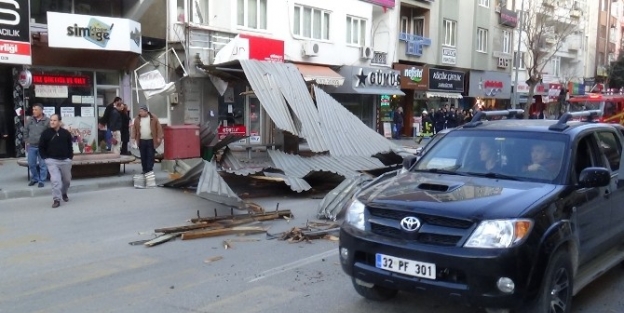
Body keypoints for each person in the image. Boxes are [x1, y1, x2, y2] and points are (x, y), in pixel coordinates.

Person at [38, 114, 73, 208]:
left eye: (54, 120)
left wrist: (70, 157)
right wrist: (45, 158)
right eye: (51, 120)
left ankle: (64, 193)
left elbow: (70, 146)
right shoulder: (46, 133)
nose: (52, 122)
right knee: (55, 180)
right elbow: (41, 147)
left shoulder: (66, 133)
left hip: (65, 160)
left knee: (67, 180)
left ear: (60, 122)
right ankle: (56, 199)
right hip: (52, 160)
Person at [132, 104, 163, 174]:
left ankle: (149, 169)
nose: (140, 113)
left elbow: (159, 128)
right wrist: (133, 137)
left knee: (150, 155)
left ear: (146, 111)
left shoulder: (153, 117)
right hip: (141, 140)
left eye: (142, 111)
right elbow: (134, 128)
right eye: (140, 111)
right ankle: (144, 169)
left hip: (151, 140)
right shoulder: (137, 119)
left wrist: (159, 137)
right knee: (143, 156)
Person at [24, 103, 50, 187]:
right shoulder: (30, 120)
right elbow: (25, 130)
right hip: (31, 146)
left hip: (42, 147)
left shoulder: (47, 120)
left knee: (43, 164)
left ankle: (41, 180)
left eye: (36, 110)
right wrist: (27, 140)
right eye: (33, 110)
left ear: (41, 110)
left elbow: (50, 133)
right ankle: (35, 178)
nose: (33, 111)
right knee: (31, 164)